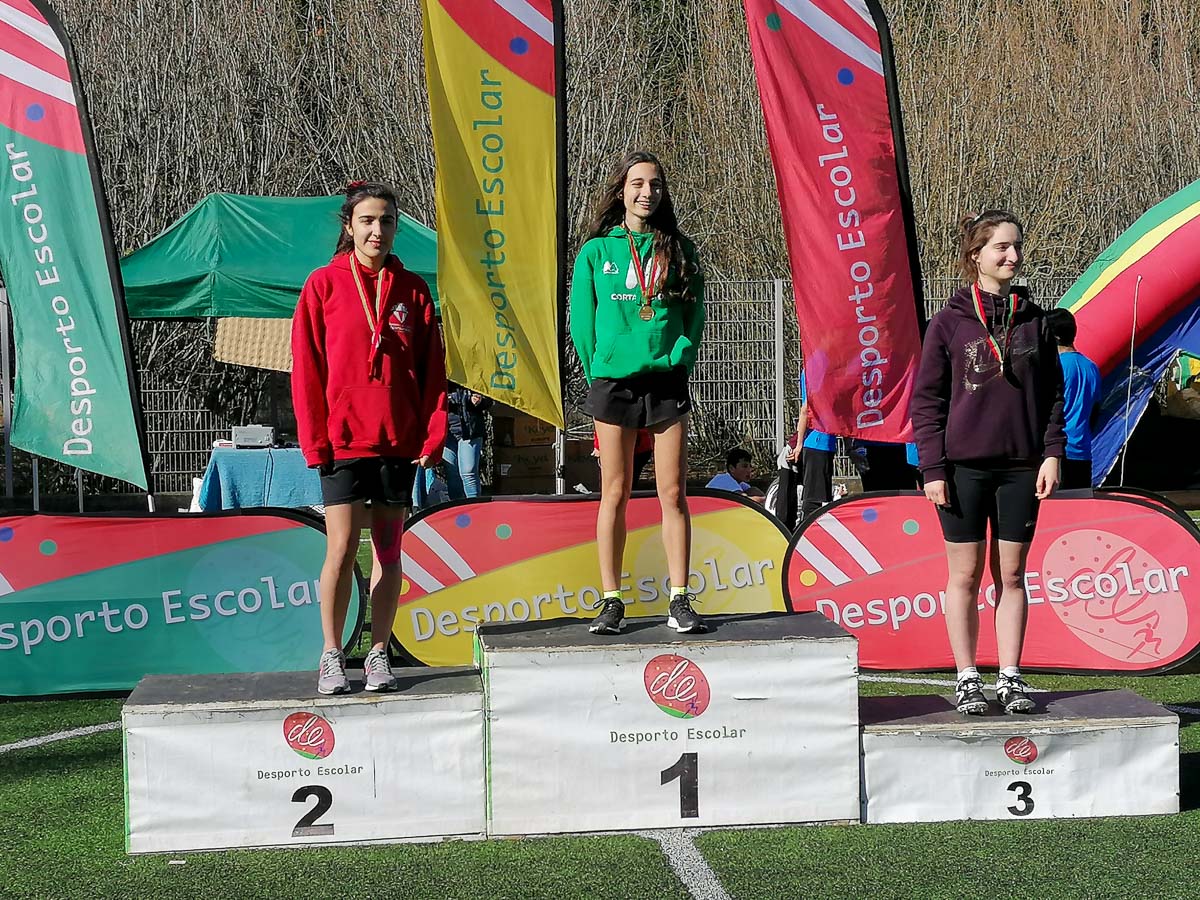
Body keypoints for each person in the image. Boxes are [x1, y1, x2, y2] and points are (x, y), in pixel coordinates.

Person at [291, 181, 447, 694]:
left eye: (386, 221)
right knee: (340, 549)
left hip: (397, 441)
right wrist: (315, 440)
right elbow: (307, 370)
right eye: (367, 221)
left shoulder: (415, 290)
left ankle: (379, 653)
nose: (377, 230)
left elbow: (433, 372)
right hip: (342, 442)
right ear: (349, 226)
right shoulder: (322, 285)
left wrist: (433, 434)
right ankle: (331, 653)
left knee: (388, 551)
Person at [911, 209, 1064, 716]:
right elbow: (927, 402)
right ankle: (967, 677)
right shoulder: (947, 323)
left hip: (1022, 466)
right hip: (962, 469)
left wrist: (1052, 453)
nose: (1013, 256)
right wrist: (932, 469)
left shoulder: (1036, 320)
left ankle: (1011, 676)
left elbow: (1053, 396)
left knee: (1012, 575)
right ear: (976, 255)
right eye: (1002, 247)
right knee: (966, 575)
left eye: (1017, 246)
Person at [570, 150, 706, 635]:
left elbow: (694, 312)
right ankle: (611, 600)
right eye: (637, 184)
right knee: (615, 491)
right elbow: (582, 321)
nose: (647, 193)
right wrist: (599, 367)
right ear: (621, 191)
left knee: (673, 492)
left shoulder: (681, 250)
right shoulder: (596, 252)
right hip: (613, 382)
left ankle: (680, 597)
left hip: (665, 380)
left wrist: (681, 355)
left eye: (655, 185)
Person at [1045, 308, 1101, 489]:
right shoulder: (1091, 367)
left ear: (1054, 337)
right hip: (1083, 453)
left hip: (1056, 453)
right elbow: (1095, 410)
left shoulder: (1055, 367)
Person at [417, 382, 492, 504]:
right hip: (445, 433)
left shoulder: (472, 378)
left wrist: (479, 400)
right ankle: (457, 508)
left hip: (469, 432)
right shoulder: (437, 379)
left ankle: (475, 508)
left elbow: (489, 400)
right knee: (452, 473)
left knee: (468, 472)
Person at [787, 371, 836, 520]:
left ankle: (810, 526)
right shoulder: (816, 370)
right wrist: (799, 443)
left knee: (818, 496)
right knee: (813, 499)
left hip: (823, 442)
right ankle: (807, 529)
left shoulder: (820, 368)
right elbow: (805, 409)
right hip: (817, 443)